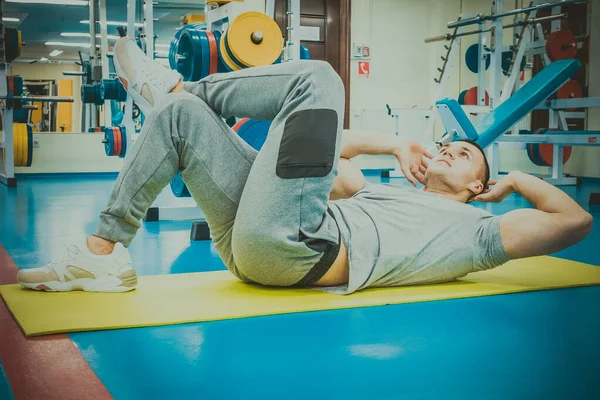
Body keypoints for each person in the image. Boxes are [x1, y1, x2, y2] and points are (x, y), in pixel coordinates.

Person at [17, 37, 593, 294]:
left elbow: (576, 224)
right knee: (179, 117)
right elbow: (325, 149)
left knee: (321, 77)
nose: (447, 149)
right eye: (449, 144)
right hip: (255, 241)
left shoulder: (480, 232)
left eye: (463, 154)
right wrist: (394, 144)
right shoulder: (373, 194)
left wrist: (514, 180)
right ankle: (100, 257)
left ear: (478, 185)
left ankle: (181, 83)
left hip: (296, 248)